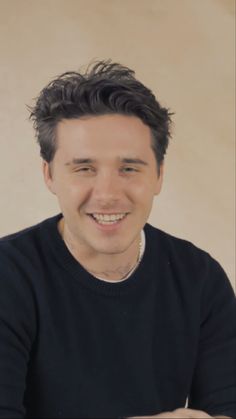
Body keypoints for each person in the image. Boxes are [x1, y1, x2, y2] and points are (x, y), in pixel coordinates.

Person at [0, 60, 235, 419]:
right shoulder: (9, 277)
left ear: (158, 175)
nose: (108, 194)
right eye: (84, 168)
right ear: (49, 175)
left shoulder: (200, 278)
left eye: (129, 168)